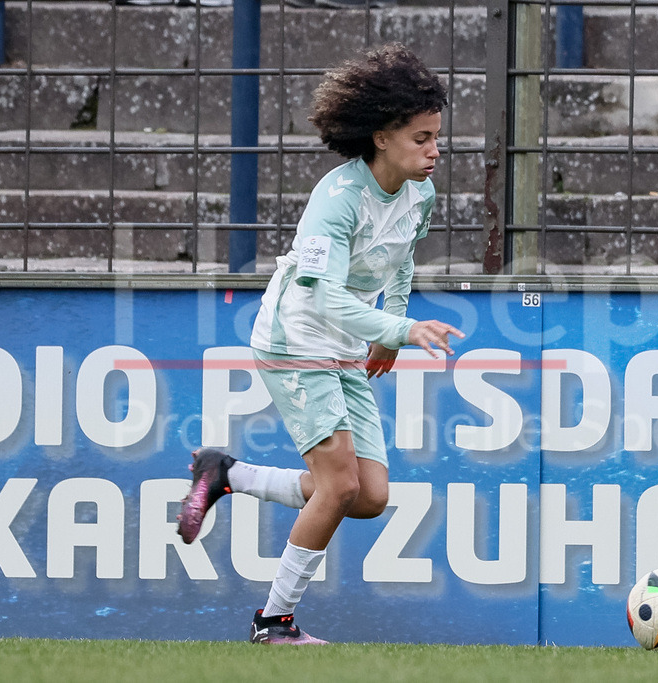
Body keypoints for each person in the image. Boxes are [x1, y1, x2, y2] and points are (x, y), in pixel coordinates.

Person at [176, 42, 464, 645]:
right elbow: (326, 298)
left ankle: (226, 473)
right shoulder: (336, 199)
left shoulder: (420, 194)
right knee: (338, 485)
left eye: (437, 136)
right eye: (421, 138)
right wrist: (401, 332)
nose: (435, 150)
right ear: (381, 137)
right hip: (296, 337)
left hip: (350, 342)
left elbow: (403, 263)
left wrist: (391, 325)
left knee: (369, 496)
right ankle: (273, 623)